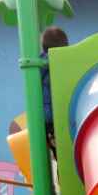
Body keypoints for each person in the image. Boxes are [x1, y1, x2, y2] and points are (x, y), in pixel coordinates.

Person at [40, 26, 69, 156]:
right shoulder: (60, 63)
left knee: (60, 154)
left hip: (47, 118)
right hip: (56, 116)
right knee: (65, 153)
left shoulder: (40, 62)